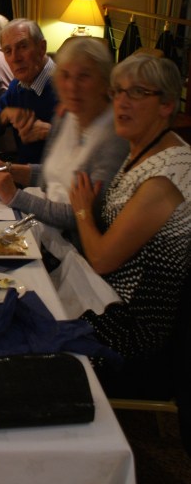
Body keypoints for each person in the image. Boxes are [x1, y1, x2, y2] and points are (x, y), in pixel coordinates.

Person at [69, 54, 191, 397]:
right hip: (104, 299)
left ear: (167, 105)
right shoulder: (142, 149)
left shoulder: (166, 176)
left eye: (137, 92)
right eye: (118, 91)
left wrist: (82, 211)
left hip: (132, 330)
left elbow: (101, 260)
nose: (121, 101)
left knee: (25, 337)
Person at [0, 37, 128, 243]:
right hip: (42, 229)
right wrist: (8, 169)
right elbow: (52, 177)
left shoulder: (114, 137)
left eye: (84, 76)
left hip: (72, 247)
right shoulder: (67, 116)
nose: (72, 86)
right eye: (66, 75)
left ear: (104, 82)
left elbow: (81, 216)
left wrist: (15, 196)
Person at [0, 18, 58, 163]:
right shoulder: (18, 85)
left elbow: (89, 148)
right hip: (21, 173)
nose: (15, 58)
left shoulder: (66, 86)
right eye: (8, 51)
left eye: (23, 47)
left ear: (42, 48)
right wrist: (3, 115)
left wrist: (51, 133)